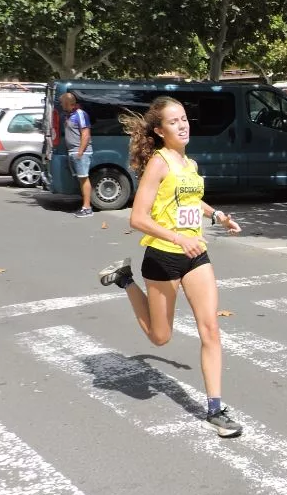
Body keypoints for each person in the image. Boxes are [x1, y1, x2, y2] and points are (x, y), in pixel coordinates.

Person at [96, 96, 245, 437]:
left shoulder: (188, 164)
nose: (183, 124)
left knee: (211, 330)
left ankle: (215, 408)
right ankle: (125, 280)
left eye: (184, 118)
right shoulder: (159, 163)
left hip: (196, 255)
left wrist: (217, 215)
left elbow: (191, 200)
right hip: (163, 256)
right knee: (160, 338)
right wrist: (178, 239)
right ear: (161, 131)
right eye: (174, 121)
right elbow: (138, 218)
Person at [60, 91, 94, 218]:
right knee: (81, 179)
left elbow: (85, 133)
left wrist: (80, 151)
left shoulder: (80, 114)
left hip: (80, 152)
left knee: (84, 178)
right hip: (73, 151)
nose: (61, 105)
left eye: (63, 103)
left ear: (69, 103)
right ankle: (85, 205)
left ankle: (87, 208)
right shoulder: (69, 115)